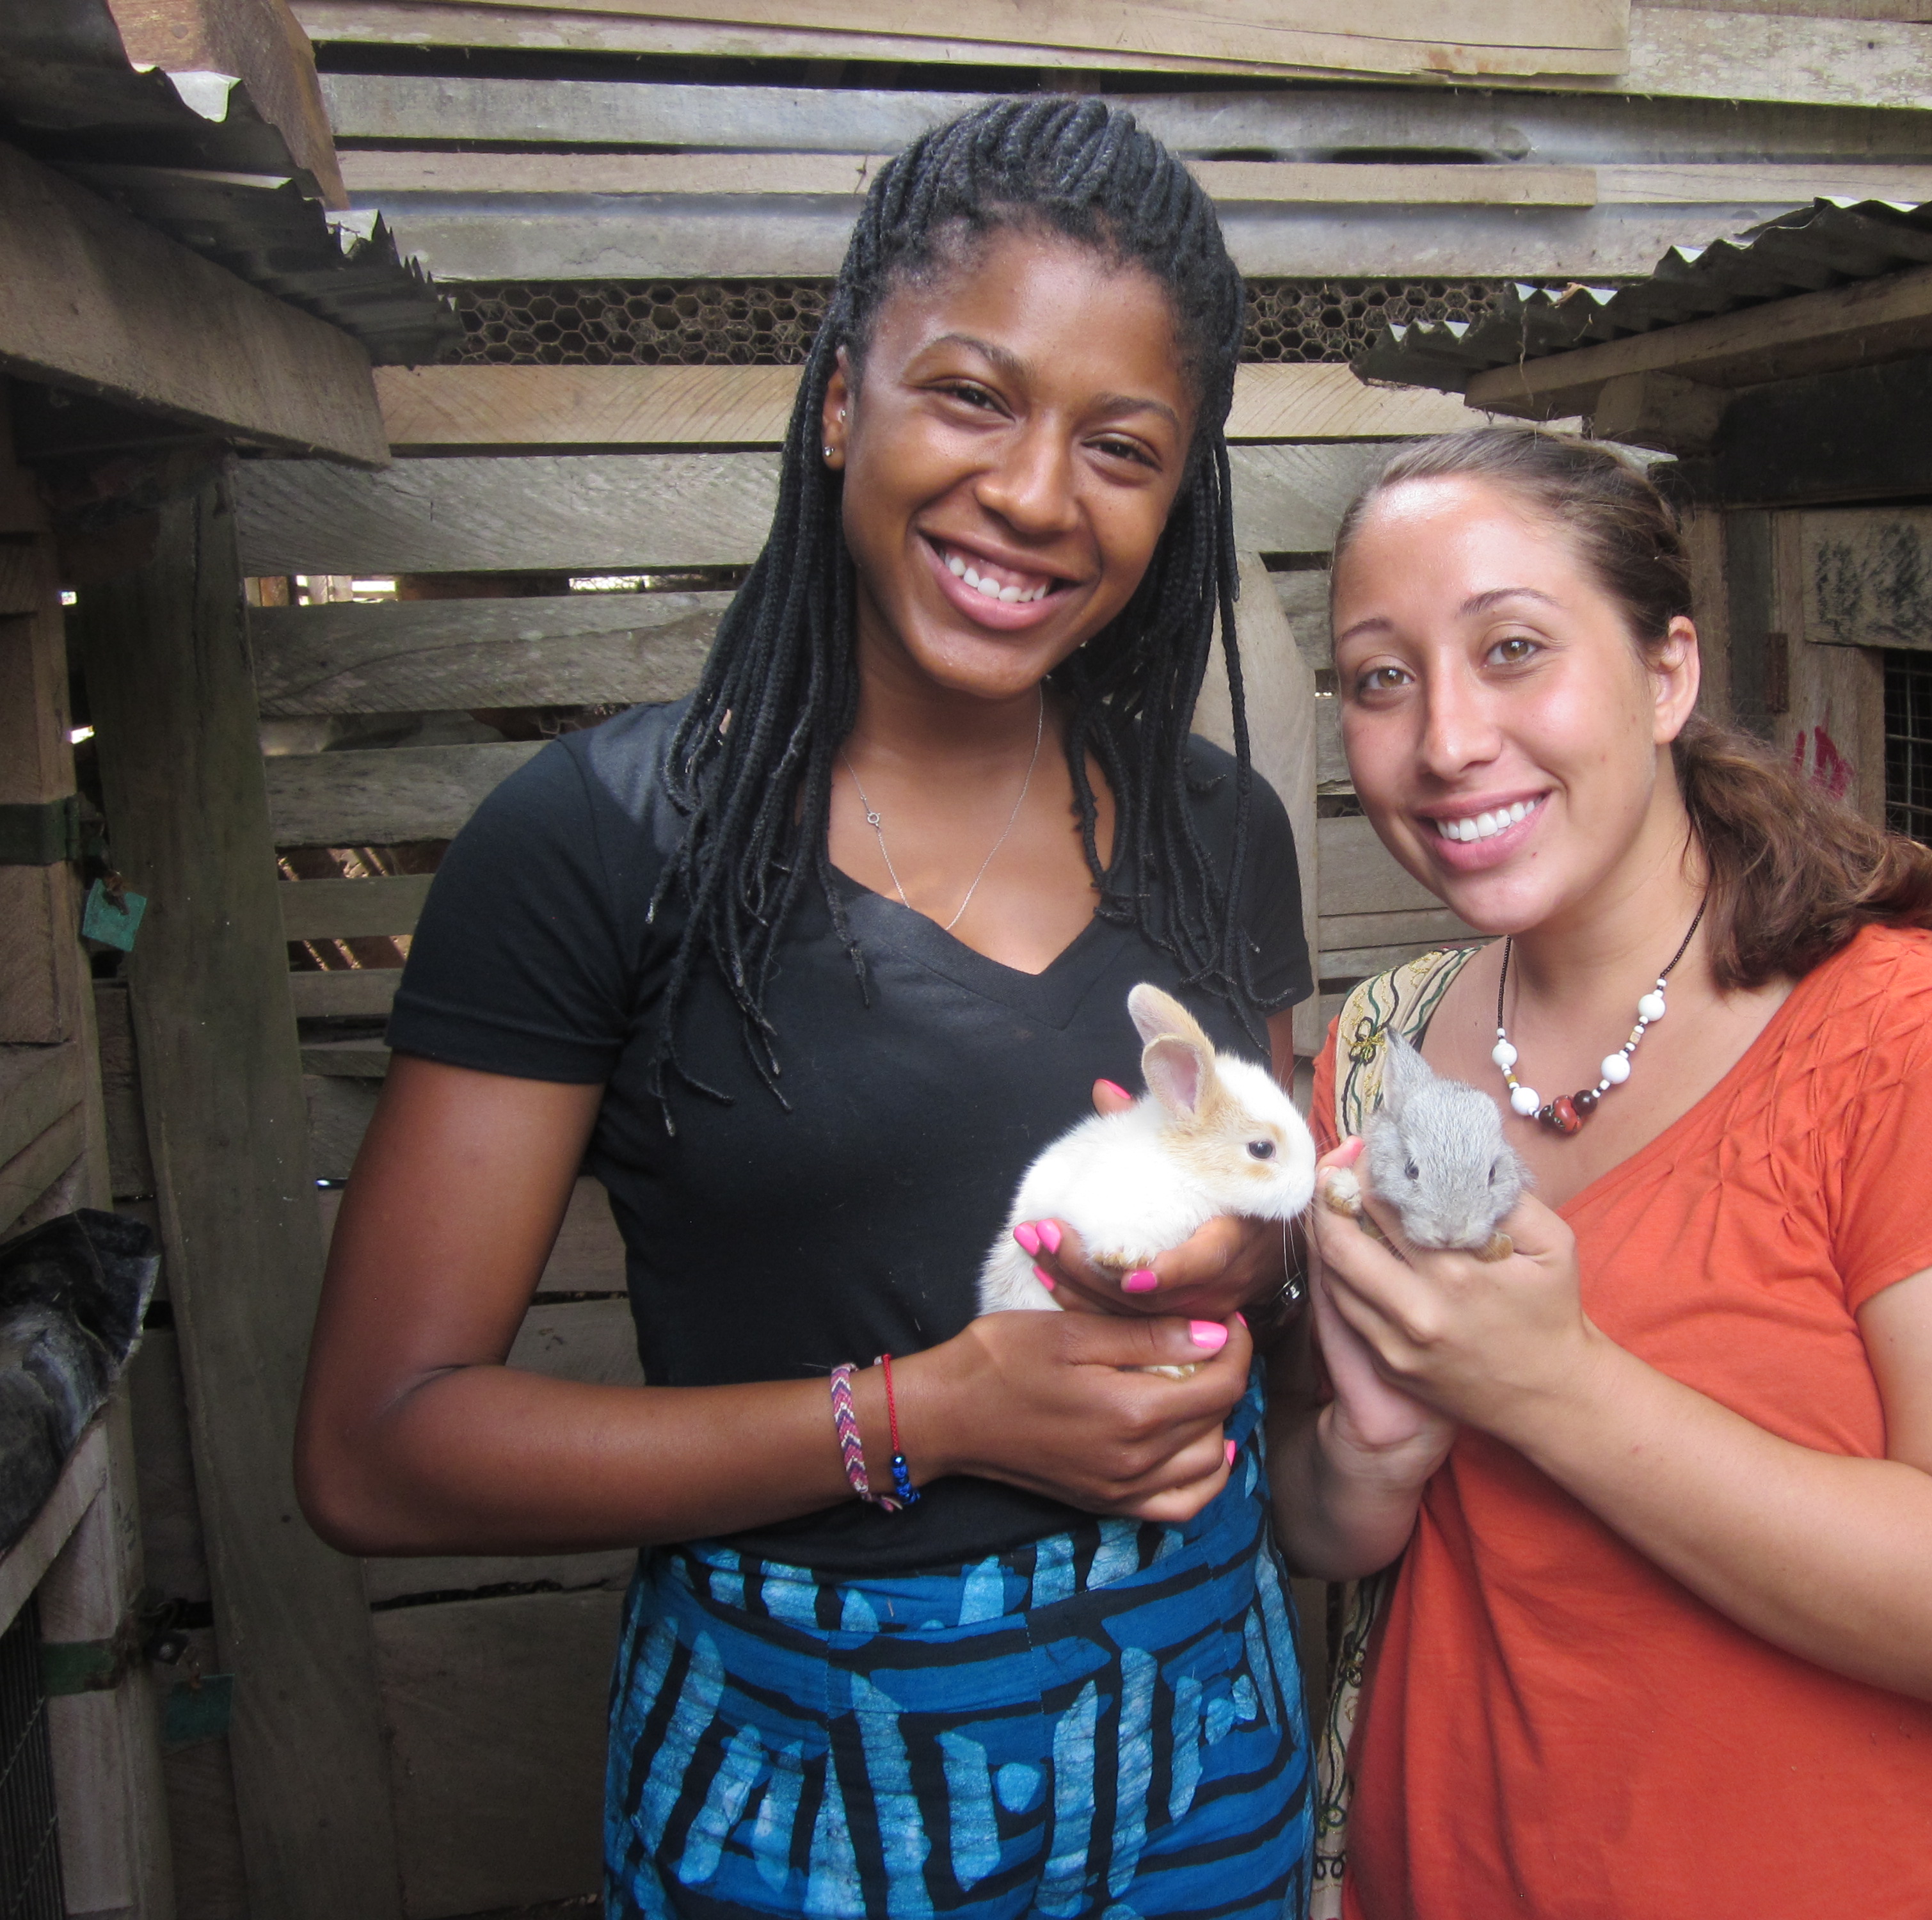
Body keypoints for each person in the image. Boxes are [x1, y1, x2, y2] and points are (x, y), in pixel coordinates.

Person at [295, 100, 1317, 1920]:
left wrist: (1252, 1267)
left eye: (1121, 446)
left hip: (1203, 1761)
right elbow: (377, 1449)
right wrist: (929, 1415)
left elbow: (1271, 1246)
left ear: (1180, 496)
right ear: (842, 398)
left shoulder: (1216, 833)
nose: (1036, 494)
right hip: (800, 1802)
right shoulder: (598, 845)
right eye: (973, 395)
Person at [1268, 429, 1932, 1920]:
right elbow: (1317, 1517)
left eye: (1512, 648)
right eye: (1379, 677)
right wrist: (1372, 1452)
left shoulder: (1913, 1045)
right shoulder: (1376, 1053)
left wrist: (1551, 1387)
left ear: (1666, 673)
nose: (1445, 738)